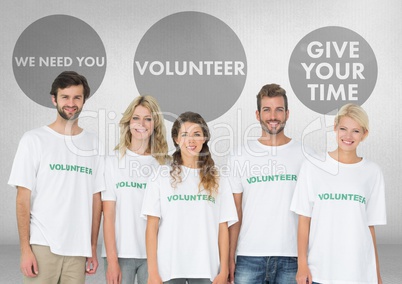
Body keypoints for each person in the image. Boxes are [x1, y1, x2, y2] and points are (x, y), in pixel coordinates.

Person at [8, 71, 105, 283]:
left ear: (83, 101)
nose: (71, 103)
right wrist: (25, 250)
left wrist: (92, 247)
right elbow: (22, 198)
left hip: (78, 250)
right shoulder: (34, 140)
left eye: (77, 97)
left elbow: (96, 199)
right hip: (43, 244)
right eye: (65, 97)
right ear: (54, 99)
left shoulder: (94, 144)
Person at [291, 103, 386, 284]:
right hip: (320, 272)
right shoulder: (312, 166)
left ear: (365, 134)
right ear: (335, 128)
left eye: (356, 131)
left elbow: (370, 227)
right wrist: (302, 265)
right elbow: (304, 219)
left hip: (359, 273)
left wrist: (377, 275)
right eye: (343, 128)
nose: (348, 136)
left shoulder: (373, 172)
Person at [228, 84, 313, 284]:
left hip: (293, 258)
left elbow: (313, 213)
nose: (273, 116)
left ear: (287, 114)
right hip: (248, 257)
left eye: (278, 109)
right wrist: (229, 258)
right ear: (257, 114)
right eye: (267, 109)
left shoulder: (308, 156)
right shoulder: (239, 156)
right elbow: (235, 212)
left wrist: (306, 261)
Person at [142, 111, 238, 284]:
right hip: (168, 270)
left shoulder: (218, 177)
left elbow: (223, 228)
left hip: (206, 269)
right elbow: (152, 227)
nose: (191, 140)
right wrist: (152, 272)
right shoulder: (161, 175)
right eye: (185, 134)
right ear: (177, 139)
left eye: (197, 134)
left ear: (204, 139)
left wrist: (223, 271)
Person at [102, 95, 169, 284]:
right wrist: (112, 260)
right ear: (128, 122)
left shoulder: (165, 164)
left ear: (155, 124)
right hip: (121, 254)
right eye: (136, 118)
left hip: (155, 256)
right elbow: (108, 216)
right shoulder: (112, 161)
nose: (142, 124)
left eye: (148, 118)